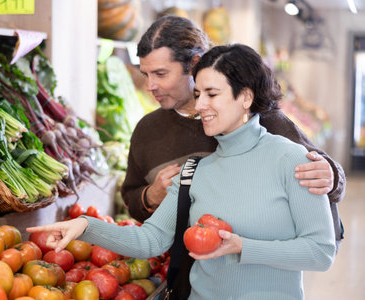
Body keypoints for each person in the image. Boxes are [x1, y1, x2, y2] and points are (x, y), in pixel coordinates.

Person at [27, 44, 336, 299]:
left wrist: (242, 247)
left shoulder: (292, 159)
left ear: (245, 97)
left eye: (212, 94)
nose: (200, 104)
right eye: (198, 93)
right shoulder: (195, 171)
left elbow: (320, 252)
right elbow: (151, 240)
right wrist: (85, 226)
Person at [121, 15, 344, 249]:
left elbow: (322, 173)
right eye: (146, 74)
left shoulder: (256, 117)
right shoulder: (146, 131)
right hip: (186, 269)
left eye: (160, 74)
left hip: (254, 267)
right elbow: (133, 199)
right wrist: (150, 196)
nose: (150, 86)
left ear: (194, 64)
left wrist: (331, 177)